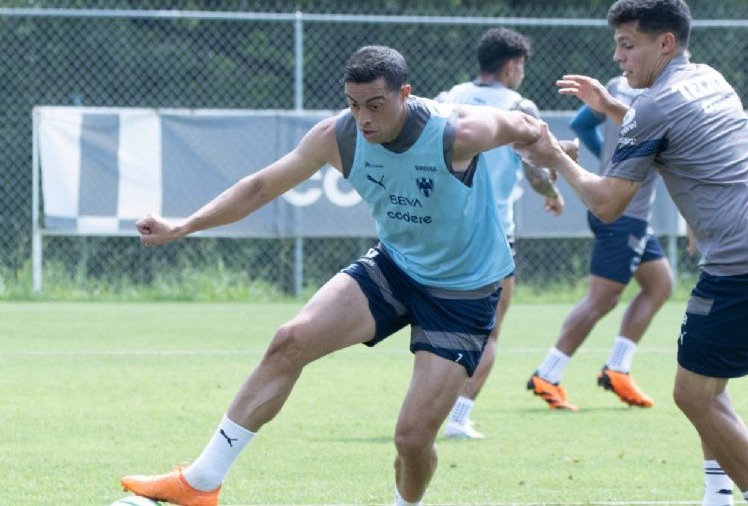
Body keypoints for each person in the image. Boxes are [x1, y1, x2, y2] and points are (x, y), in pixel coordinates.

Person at [120, 45, 554, 506]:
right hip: (397, 267)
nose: (363, 118)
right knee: (290, 340)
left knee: (411, 441)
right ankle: (201, 482)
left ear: (404, 95)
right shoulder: (338, 137)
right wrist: (184, 225)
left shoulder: (457, 132)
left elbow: (528, 127)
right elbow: (260, 186)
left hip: (463, 293)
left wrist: (556, 160)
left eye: (375, 105)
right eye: (353, 104)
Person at [514, 0, 748, 506]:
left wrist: (554, 155)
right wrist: (609, 105)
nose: (617, 56)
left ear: (665, 43)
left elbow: (607, 203)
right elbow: (672, 125)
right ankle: (717, 496)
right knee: (708, 389)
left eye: (628, 45)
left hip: (741, 264)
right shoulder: (709, 79)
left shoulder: (654, 105)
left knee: (691, 395)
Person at [436, 27, 565, 438]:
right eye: (522, 67)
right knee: (489, 330)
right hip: (492, 235)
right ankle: (457, 415)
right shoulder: (518, 105)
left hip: (441, 231)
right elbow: (535, 168)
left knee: (435, 325)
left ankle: (431, 408)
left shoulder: (448, 98)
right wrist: (553, 193)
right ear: (511, 66)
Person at [527, 75, 672, 412]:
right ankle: (547, 374)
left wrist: (609, 161)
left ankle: (618, 368)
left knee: (660, 283)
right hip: (624, 214)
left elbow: (581, 122)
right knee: (601, 300)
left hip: (628, 213)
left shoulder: (617, 85)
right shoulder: (660, 96)